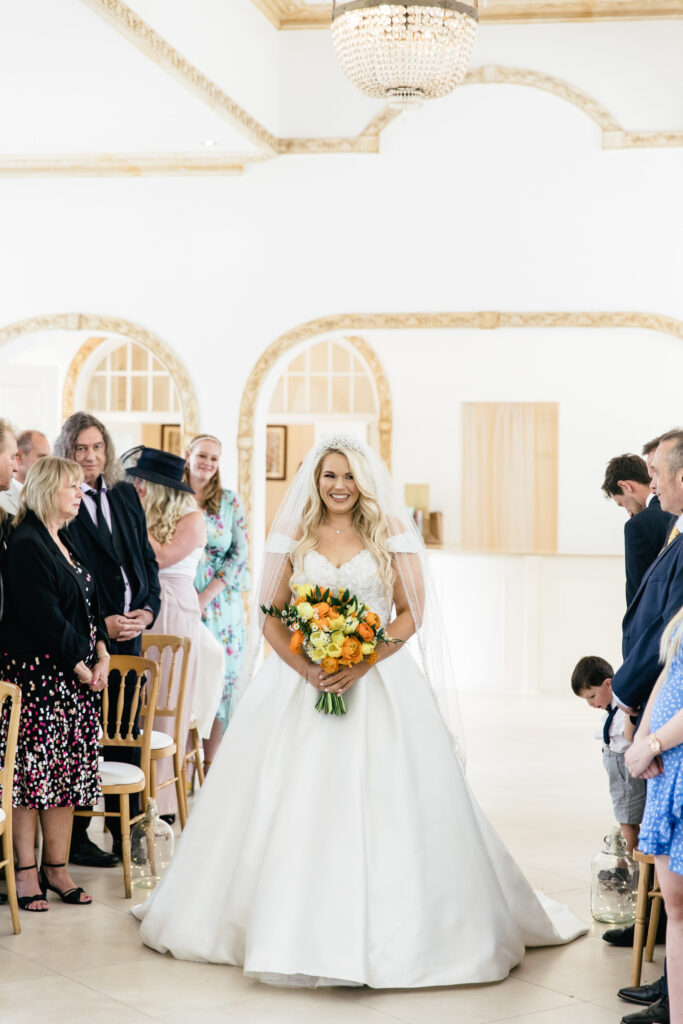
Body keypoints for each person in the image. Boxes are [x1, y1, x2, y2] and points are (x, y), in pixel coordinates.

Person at [133, 435, 585, 987]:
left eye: (349, 476)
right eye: (329, 476)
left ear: (365, 480)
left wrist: (362, 660)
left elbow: (411, 610)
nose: (339, 486)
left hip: (378, 681)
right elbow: (271, 615)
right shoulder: (295, 531)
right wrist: (308, 669)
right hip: (301, 680)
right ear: (315, 479)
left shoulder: (389, 531)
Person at [0, 457, 109, 911]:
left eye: (82, 488)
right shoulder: (27, 543)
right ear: (47, 489)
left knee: (62, 780)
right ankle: (25, 874)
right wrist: (82, 666)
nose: (80, 494)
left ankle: (57, 868)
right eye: (72, 487)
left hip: (71, 684)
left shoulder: (63, 538)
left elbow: (89, 600)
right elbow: (41, 615)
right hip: (37, 683)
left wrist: (101, 648)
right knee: (31, 781)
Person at [54, 412, 161, 866]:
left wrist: (148, 608)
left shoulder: (123, 494)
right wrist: (103, 624)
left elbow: (146, 562)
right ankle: (76, 839)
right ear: (67, 452)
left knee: (126, 731)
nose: (90, 456)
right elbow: (69, 576)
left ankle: (126, 835)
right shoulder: (63, 502)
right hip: (89, 635)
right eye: (80, 448)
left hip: (132, 633)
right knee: (85, 733)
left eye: (97, 447)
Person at [127, 447, 206, 819]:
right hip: (141, 603)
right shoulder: (143, 513)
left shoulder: (193, 518)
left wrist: (133, 521)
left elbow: (157, 557)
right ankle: (133, 791)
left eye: (141, 482)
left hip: (173, 606)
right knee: (136, 703)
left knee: (165, 700)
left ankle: (163, 803)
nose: (136, 487)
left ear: (159, 488)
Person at [623, 602, 683, 1024]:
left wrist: (655, 743)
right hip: (667, 772)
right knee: (677, 907)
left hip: (672, 756)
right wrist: (641, 739)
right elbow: (668, 670)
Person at [184, 434, 250, 767]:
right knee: (185, 677)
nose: (208, 463)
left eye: (214, 458)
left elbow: (240, 554)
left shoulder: (229, 501)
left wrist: (206, 595)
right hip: (180, 595)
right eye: (202, 456)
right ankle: (179, 767)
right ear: (188, 454)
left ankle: (211, 769)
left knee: (221, 679)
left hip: (220, 605)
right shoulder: (172, 496)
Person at [611, 430, 683, 717]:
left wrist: (627, 688)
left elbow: (670, 624)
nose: (652, 485)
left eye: (656, 472)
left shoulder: (642, 526)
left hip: (663, 688)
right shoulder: (673, 529)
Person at [571, 655, 645, 854]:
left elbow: (629, 736)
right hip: (616, 765)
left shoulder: (624, 706)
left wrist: (632, 709)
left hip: (623, 767)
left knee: (627, 818)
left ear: (608, 684)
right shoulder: (613, 706)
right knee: (624, 814)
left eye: (592, 696)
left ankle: (628, 860)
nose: (591, 703)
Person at [602, 453, 673, 606]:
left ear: (625, 486)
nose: (629, 512)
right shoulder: (676, 511)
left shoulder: (638, 525)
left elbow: (637, 593)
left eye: (623, 504)